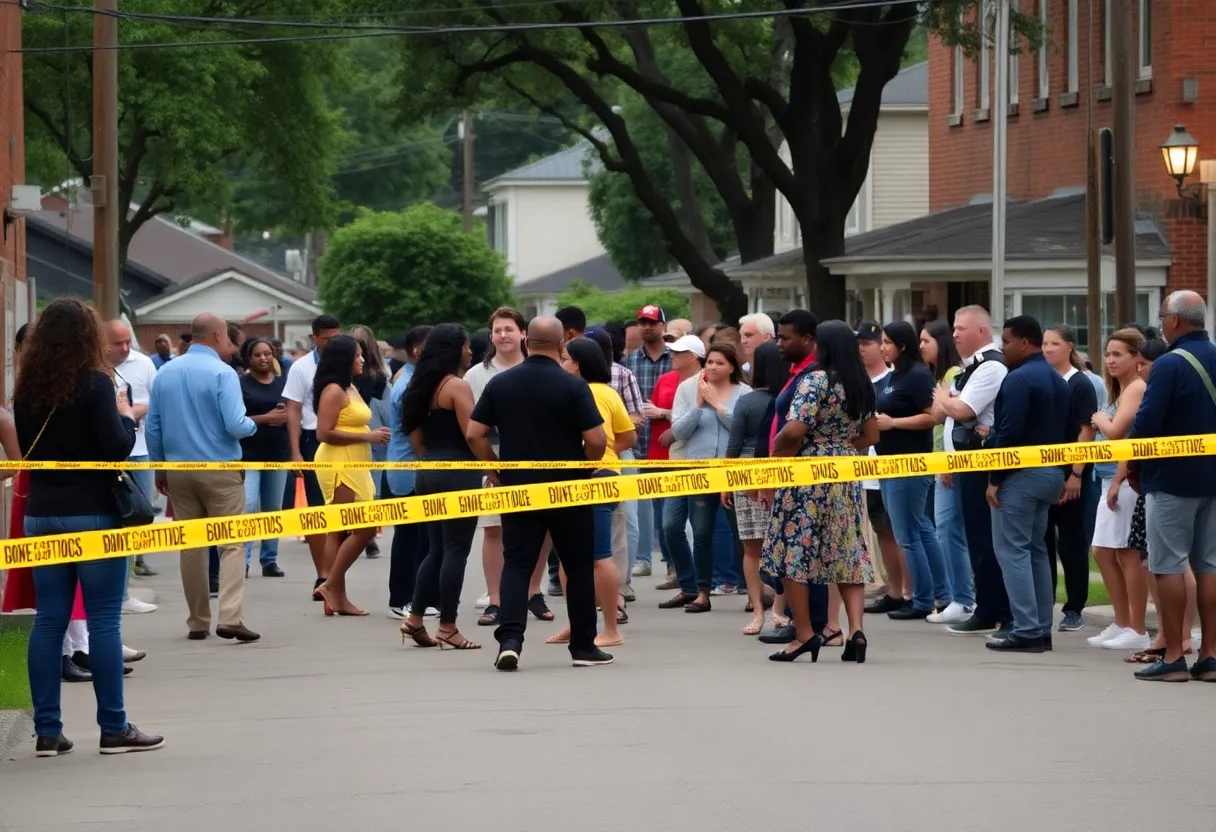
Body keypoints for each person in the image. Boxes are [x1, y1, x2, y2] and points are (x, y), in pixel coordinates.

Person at [15, 298, 163, 755]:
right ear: (87, 337)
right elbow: (115, 448)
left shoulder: (26, 389)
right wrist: (123, 411)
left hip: (41, 512)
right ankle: (114, 727)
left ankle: (47, 730)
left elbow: (28, 449)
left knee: (49, 620)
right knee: (101, 620)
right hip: (93, 512)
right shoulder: (97, 384)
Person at [466, 316, 611, 671]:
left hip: (519, 486)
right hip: (568, 488)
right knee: (577, 567)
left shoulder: (501, 384)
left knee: (516, 564)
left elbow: (474, 433)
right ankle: (583, 648)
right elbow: (597, 440)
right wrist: (584, 466)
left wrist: (494, 468)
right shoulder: (573, 386)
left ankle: (510, 641)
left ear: (527, 341)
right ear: (562, 344)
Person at [762, 320, 877, 663]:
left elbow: (796, 427)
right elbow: (872, 436)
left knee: (793, 551)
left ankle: (804, 636)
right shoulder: (860, 383)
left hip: (807, 473)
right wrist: (839, 446)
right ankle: (855, 630)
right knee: (846, 552)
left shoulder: (815, 379)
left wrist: (779, 445)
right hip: (844, 472)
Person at [147, 314, 259, 643]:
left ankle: (198, 621)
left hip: (179, 471)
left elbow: (154, 428)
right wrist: (256, 425)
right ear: (217, 335)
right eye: (226, 338)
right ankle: (230, 616)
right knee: (232, 543)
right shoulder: (223, 373)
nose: (229, 344)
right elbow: (237, 425)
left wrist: (160, 467)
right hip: (220, 468)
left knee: (191, 546)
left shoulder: (165, 373)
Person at [1127, 291, 1216, 682]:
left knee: (1168, 566)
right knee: (1209, 566)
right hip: (1213, 477)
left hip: (1172, 478)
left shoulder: (1168, 365)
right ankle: (1210, 655)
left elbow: (1145, 425)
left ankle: (1175, 656)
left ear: (1176, 321)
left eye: (1163, 316)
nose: (1161, 322)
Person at [394, 324, 484, 649]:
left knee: (435, 549)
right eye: (466, 346)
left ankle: (415, 619)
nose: (470, 351)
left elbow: (416, 438)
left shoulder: (419, 385)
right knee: (456, 551)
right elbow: (473, 434)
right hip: (458, 472)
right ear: (455, 349)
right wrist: (492, 466)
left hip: (428, 470)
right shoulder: (457, 386)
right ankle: (448, 625)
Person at [984, 316, 1070, 653]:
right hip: (1050, 473)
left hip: (1020, 475)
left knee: (1012, 549)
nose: (1001, 347)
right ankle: (1040, 628)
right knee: (1035, 549)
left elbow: (1009, 433)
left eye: (1005, 341)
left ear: (1023, 343)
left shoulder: (1018, 379)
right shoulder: (1058, 379)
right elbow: (1066, 432)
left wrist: (994, 479)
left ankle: (1026, 629)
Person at [545, 336, 636, 647]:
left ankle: (610, 628)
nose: (561, 364)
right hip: (604, 474)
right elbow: (628, 437)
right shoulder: (608, 393)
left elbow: (597, 438)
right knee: (573, 557)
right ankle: (578, 623)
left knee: (597, 556)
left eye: (565, 359)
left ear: (578, 364)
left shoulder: (582, 391)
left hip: (592, 478)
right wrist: (608, 451)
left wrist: (590, 456)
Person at [464, 307, 551, 625]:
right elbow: (473, 428)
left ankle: (533, 590)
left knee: (542, 530)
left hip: (536, 461)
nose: (503, 335)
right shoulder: (476, 375)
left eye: (509, 330)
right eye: (497, 331)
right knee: (493, 529)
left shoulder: (538, 368)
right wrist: (490, 469)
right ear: (491, 336)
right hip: (492, 460)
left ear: (523, 334)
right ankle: (496, 599)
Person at [931, 305, 1011, 636]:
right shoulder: (970, 368)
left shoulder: (990, 366)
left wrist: (946, 398)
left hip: (981, 463)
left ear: (981, 331)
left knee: (984, 540)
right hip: (962, 462)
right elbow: (939, 413)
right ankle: (985, 606)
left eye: (960, 328)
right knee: (974, 538)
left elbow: (962, 408)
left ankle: (992, 609)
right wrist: (947, 402)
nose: (954, 334)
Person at [665, 342, 750, 612]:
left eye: (719, 363)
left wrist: (718, 405)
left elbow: (742, 429)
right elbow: (678, 431)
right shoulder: (688, 389)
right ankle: (702, 591)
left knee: (744, 534)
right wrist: (699, 406)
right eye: (710, 361)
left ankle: (754, 591)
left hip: (732, 472)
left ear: (732, 368)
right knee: (701, 532)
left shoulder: (744, 392)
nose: (712, 367)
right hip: (698, 471)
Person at [311, 335, 390, 617]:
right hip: (339, 463)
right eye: (357, 355)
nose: (362, 360)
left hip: (357, 462)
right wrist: (368, 435)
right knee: (360, 528)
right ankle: (331, 587)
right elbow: (323, 432)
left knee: (341, 529)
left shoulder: (350, 387)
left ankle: (336, 597)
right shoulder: (333, 390)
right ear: (344, 359)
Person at [875, 321, 949, 620]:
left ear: (901, 345)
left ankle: (921, 600)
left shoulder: (918, 376)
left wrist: (894, 423)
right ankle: (942, 594)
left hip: (909, 464)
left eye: (886, 342)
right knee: (921, 529)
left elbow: (934, 417)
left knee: (908, 534)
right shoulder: (895, 375)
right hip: (889, 462)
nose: (882, 347)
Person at [1087, 328, 1150, 652]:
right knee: (1103, 551)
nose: (1110, 360)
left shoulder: (1136, 388)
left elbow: (1120, 435)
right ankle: (1122, 620)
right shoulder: (1118, 391)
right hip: (1106, 477)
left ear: (1136, 358)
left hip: (1123, 480)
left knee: (1127, 554)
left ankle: (1137, 627)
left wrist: (1099, 419)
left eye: (1118, 354)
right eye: (1108, 354)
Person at [1041, 325, 1099, 632]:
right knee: (1043, 541)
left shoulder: (1080, 384)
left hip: (1071, 475)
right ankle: (1044, 603)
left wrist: (1076, 473)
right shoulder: (1043, 380)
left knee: (1072, 543)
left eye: (1054, 343)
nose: (1048, 348)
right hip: (1042, 475)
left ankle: (1074, 607)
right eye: (1044, 343)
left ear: (1069, 347)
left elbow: (1085, 430)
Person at [282, 314, 344, 599]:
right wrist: (295, 452)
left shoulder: (347, 363)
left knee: (343, 512)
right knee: (318, 510)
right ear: (315, 338)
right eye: (327, 340)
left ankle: (336, 573)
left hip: (343, 442)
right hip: (311, 441)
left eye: (336, 338)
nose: (332, 344)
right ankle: (323, 574)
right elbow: (293, 409)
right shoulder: (301, 367)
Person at [725, 340, 784, 635]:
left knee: (751, 546)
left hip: (747, 470)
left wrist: (726, 481)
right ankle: (780, 609)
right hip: (784, 466)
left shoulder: (747, 401)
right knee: (785, 543)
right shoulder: (791, 396)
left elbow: (733, 446)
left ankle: (757, 610)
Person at [919, 319, 973, 624]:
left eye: (928, 340)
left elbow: (943, 416)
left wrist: (947, 461)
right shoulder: (941, 377)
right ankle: (958, 596)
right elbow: (940, 411)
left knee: (949, 531)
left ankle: (962, 598)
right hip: (941, 459)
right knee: (944, 530)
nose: (922, 346)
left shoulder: (953, 374)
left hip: (948, 461)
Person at [104, 319, 162, 593]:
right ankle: (122, 585)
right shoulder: (96, 369)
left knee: (141, 511)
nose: (126, 348)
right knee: (115, 518)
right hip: (112, 455)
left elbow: (157, 400)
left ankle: (138, 559)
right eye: (118, 343)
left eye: (129, 342)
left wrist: (133, 411)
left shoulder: (144, 364)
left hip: (140, 451)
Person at [386, 325, 433, 619]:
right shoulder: (407, 385)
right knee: (409, 537)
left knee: (418, 537)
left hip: (410, 467)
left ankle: (412, 597)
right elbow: (414, 432)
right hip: (408, 469)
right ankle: (401, 599)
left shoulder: (413, 378)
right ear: (417, 350)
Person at [624, 305, 673, 581]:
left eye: (652, 322)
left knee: (669, 507)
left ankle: (671, 562)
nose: (646, 327)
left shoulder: (675, 358)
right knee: (640, 506)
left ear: (663, 326)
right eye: (642, 322)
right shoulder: (630, 361)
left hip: (669, 442)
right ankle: (642, 558)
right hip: (638, 442)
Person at [239, 338, 289, 578]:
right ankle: (244, 560)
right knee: (248, 507)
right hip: (248, 454)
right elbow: (237, 419)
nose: (263, 359)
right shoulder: (241, 384)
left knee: (273, 509)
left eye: (267, 354)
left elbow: (295, 412)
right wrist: (265, 418)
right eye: (257, 355)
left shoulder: (283, 383)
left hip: (277, 453)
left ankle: (269, 559)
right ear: (249, 359)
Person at [350, 324, 391, 558]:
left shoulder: (342, 380)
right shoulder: (380, 378)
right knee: (371, 490)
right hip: (376, 437)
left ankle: (355, 532)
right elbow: (387, 412)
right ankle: (369, 537)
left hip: (350, 438)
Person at [737, 313, 776, 381]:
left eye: (748, 335)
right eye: (741, 336)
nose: (743, 341)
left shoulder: (783, 367)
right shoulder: (740, 371)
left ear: (766, 337)